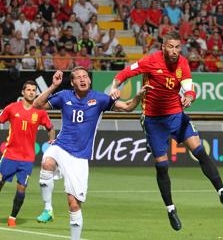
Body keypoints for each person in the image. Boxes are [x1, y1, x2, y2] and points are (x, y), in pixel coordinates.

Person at [109, 31, 223, 231]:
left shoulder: (183, 63)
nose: (175, 51)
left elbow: (188, 86)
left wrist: (189, 96)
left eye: (178, 47)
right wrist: (115, 87)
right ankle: (170, 209)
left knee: (199, 151)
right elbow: (125, 73)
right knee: (162, 166)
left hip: (176, 116)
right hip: (154, 120)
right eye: (171, 46)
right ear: (163, 47)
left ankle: (222, 191)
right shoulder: (150, 61)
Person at [33, 67, 150, 240]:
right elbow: (37, 105)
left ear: (89, 80)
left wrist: (139, 96)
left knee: (74, 205)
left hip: (80, 157)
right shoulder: (64, 96)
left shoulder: (100, 99)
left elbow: (127, 107)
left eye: (85, 76)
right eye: (78, 77)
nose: (82, 79)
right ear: (72, 83)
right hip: (61, 146)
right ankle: (48, 209)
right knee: (47, 162)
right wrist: (52, 86)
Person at [0, 80, 55, 227]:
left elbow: (51, 128)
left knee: (21, 189)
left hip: (27, 159)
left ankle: (12, 217)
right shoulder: (12, 108)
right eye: (28, 90)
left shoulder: (40, 112)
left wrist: (51, 143)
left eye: (33, 90)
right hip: (10, 155)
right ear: (22, 92)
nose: (31, 92)